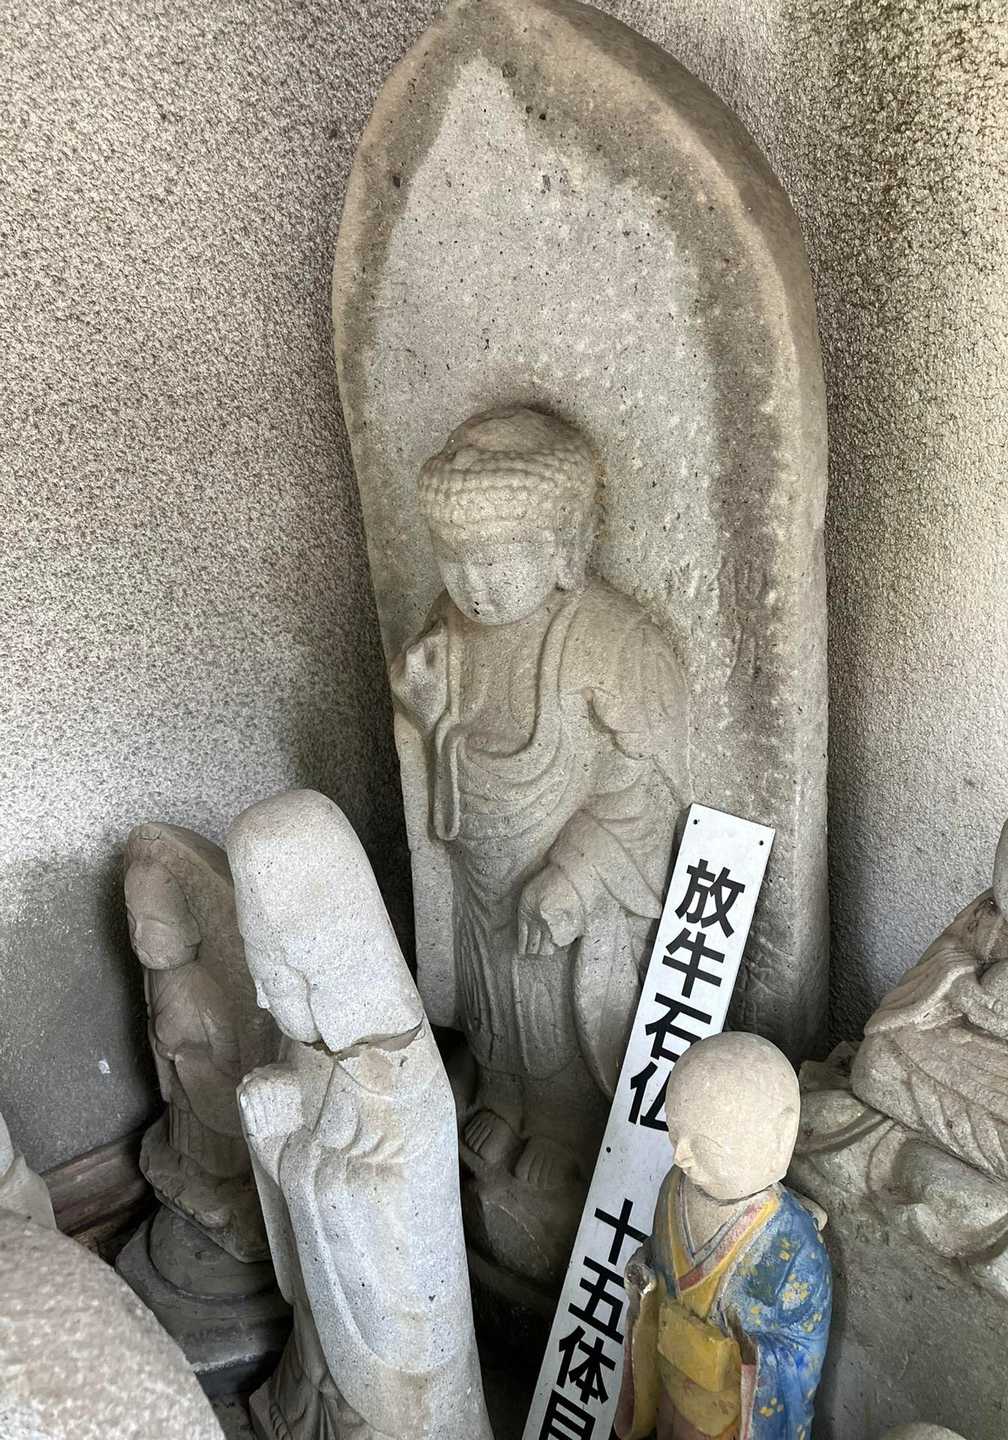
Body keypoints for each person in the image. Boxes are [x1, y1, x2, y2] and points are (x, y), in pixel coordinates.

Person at [392, 405, 690, 1279]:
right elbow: (446, 755)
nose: (472, 585)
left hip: (576, 885)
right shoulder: (451, 626)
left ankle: (566, 1126)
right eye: (453, 559)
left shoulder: (607, 641)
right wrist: (427, 715)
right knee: (497, 999)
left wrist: (580, 874)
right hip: (480, 872)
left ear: (561, 547)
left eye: (494, 561)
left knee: (558, 1000)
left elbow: (656, 794)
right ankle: (503, 1093)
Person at [226, 789, 492, 1440]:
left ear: (322, 961)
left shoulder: (402, 1078)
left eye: (273, 977)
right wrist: (276, 1103)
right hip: (326, 1321)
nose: (260, 997)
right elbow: (307, 1119)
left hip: (391, 1353)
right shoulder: (317, 1039)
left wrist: (287, 1149)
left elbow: (395, 1220)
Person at [852, 801, 1008, 1220]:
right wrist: (956, 984)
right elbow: (943, 956)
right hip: (961, 1042)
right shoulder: (987, 911)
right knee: (875, 1063)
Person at [616, 1033, 831, 1440]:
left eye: (704, 1144)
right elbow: (659, 1261)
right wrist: (645, 1277)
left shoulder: (790, 1245)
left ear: (779, 1138)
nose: (680, 1155)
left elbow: (801, 1353)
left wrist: (753, 1352)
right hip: (668, 1383)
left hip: (726, 1416)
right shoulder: (674, 1188)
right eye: (674, 1131)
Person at [124, 823, 275, 1255]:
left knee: (214, 1146)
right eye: (134, 924)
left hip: (205, 1085)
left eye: (154, 925)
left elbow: (228, 1049)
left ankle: (225, 1179)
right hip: (181, 1087)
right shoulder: (157, 978)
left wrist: (189, 1058)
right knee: (185, 1136)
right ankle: (190, 1168)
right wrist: (165, 1052)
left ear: (188, 928)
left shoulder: (200, 988)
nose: (140, 939)